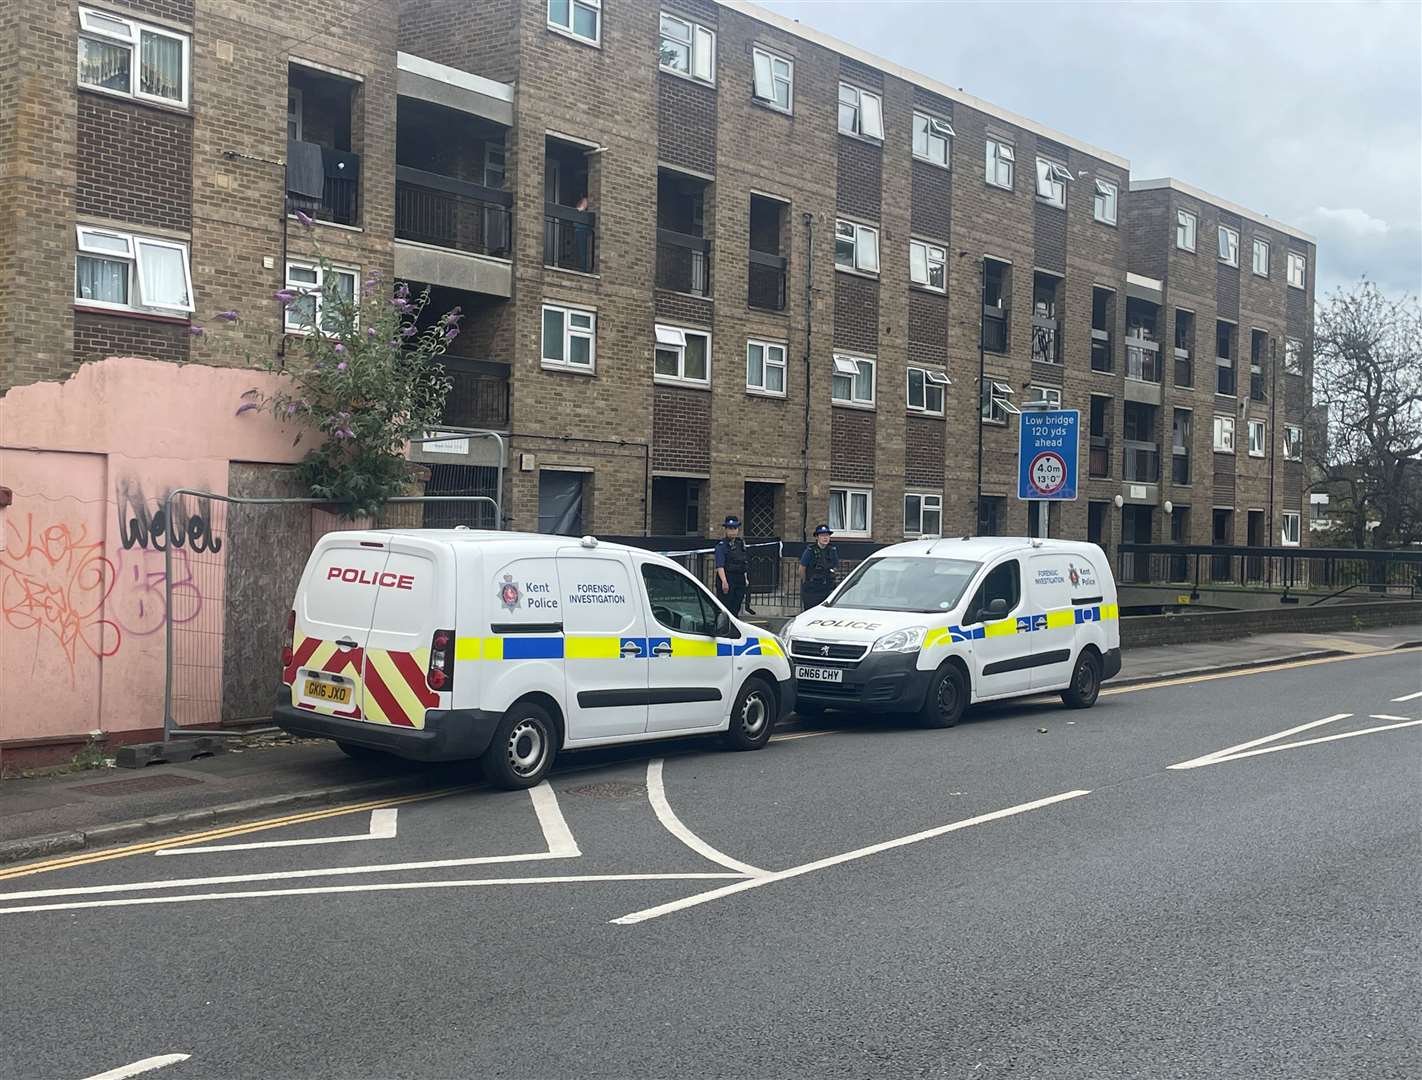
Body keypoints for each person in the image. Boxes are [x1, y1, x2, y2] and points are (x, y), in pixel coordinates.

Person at [714, 515, 751, 618]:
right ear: (725, 530)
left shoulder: (740, 544)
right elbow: (720, 565)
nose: (733, 531)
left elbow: (744, 562)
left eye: (735, 528)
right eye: (730, 528)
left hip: (739, 578)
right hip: (727, 577)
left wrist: (745, 578)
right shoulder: (722, 546)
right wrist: (724, 581)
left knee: (736, 605)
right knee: (726, 607)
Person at [800, 524, 840, 610]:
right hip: (813, 589)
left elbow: (835, 566)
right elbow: (802, 568)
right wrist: (805, 581)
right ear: (817, 537)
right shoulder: (810, 550)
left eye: (827, 535)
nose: (825, 538)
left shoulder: (832, 549)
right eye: (822, 535)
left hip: (827, 588)